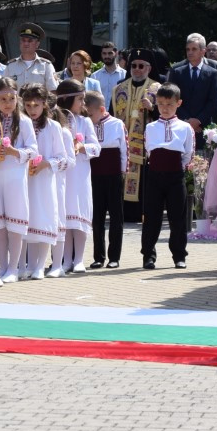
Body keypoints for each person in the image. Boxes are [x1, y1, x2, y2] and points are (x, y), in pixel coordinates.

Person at [140, 84, 194, 270]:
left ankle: (179, 255)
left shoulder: (185, 127)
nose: (165, 108)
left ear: (179, 103)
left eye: (169, 104)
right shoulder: (151, 127)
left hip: (175, 176)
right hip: (155, 175)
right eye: (161, 104)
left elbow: (188, 153)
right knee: (151, 217)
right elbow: (149, 150)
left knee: (177, 217)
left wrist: (178, 168)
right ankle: (148, 255)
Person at [0, 77, 36, 284]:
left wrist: (13, 151)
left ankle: (14, 267)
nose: (8, 103)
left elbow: (33, 150)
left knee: (15, 223)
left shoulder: (24, 121)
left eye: (11, 98)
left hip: (16, 176)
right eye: (3, 99)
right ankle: (3, 266)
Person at [18, 83, 66, 281]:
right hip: (24, 180)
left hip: (44, 180)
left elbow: (62, 158)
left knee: (44, 219)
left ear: (45, 104)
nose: (32, 110)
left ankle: (40, 265)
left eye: (36, 105)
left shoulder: (53, 127)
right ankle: (24, 265)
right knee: (24, 220)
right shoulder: (20, 124)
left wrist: (46, 164)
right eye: (28, 105)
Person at [112, 48, 161, 219]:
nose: (137, 69)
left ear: (149, 68)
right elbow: (111, 116)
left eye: (141, 66)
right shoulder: (119, 89)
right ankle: (124, 213)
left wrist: (153, 109)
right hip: (123, 143)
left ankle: (141, 212)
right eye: (134, 65)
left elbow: (165, 117)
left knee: (144, 180)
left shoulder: (157, 88)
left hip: (145, 145)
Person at [55, 80, 98, 274]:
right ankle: (65, 259)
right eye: (80, 99)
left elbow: (96, 147)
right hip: (62, 172)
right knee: (64, 215)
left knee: (79, 213)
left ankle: (79, 259)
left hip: (80, 174)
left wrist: (82, 147)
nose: (83, 103)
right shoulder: (55, 119)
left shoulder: (85, 121)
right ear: (66, 99)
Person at [86, 89, 126, 269]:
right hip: (94, 175)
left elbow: (124, 149)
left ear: (102, 109)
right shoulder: (87, 125)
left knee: (116, 217)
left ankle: (114, 257)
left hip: (114, 175)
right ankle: (98, 256)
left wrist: (123, 172)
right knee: (97, 217)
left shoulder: (117, 124)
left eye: (90, 114)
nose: (88, 117)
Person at [168, 33, 217, 149]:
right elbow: (173, 99)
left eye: (194, 49)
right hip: (181, 125)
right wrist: (187, 120)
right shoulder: (177, 72)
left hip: (203, 127)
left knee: (202, 159)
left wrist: (198, 120)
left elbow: (213, 101)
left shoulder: (213, 73)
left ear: (203, 51)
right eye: (188, 49)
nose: (190, 52)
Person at [4, 22, 59, 90]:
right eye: (23, 40)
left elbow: (53, 91)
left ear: (37, 44)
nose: (26, 43)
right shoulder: (10, 66)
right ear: (20, 42)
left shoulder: (46, 66)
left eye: (30, 41)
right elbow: (4, 90)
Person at [94, 40, 127, 109]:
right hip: (100, 113)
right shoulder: (95, 76)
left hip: (118, 113)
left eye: (110, 53)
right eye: (104, 53)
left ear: (116, 53)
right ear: (101, 54)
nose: (107, 56)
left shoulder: (125, 75)